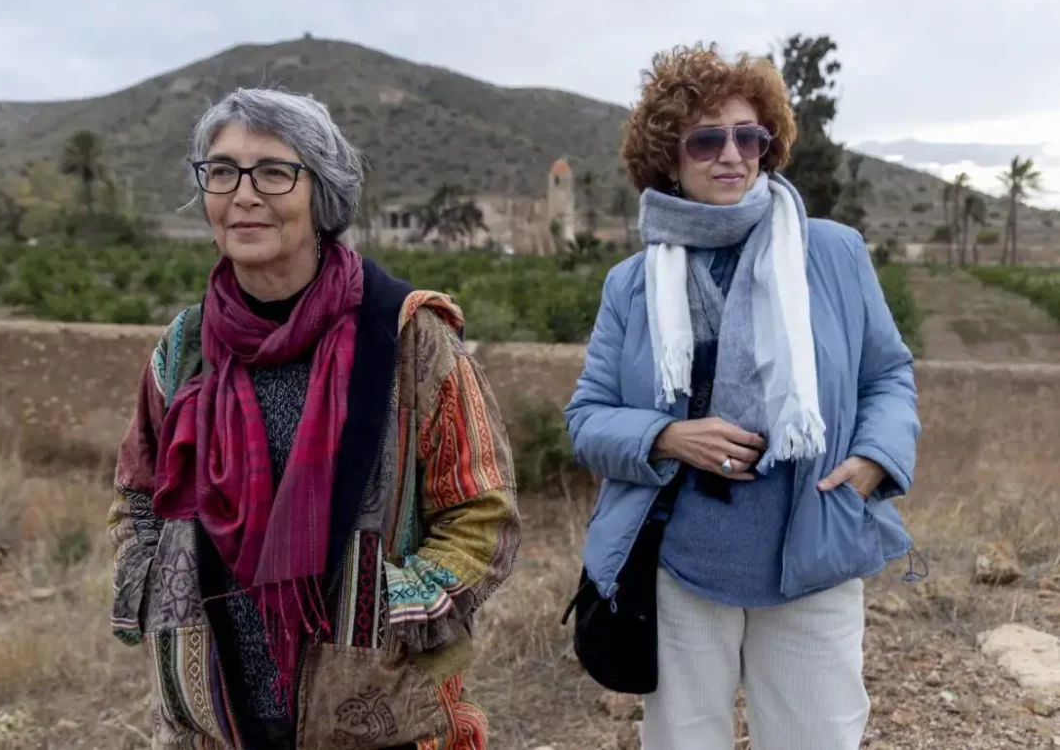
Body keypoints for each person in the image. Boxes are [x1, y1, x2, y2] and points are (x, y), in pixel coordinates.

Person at [107, 88, 520, 750]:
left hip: (376, 725)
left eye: (273, 171)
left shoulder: (411, 340)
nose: (244, 194)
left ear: (320, 193)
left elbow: (483, 514)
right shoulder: (184, 348)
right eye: (221, 171)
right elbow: (136, 492)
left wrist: (385, 606)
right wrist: (159, 583)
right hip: (218, 726)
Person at [564, 44, 920, 750]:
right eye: (705, 138)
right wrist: (668, 436)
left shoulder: (833, 253)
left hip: (812, 548)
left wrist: (875, 460)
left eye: (747, 136)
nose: (731, 154)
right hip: (683, 563)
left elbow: (889, 375)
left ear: (767, 144)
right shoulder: (632, 283)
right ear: (669, 155)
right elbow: (587, 418)